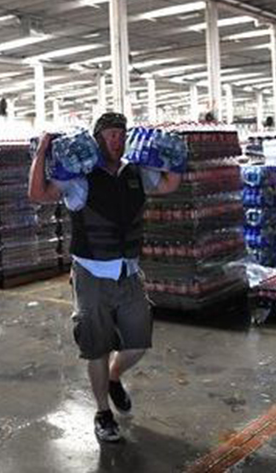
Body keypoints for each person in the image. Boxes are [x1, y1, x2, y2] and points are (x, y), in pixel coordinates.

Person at [28, 112, 181, 443]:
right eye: (110, 134)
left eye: (121, 134)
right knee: (96, 346)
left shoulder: (136, 172)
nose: (116, 139)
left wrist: (168, 155)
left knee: (138, 341)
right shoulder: (80, 177)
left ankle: (114, 377)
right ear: (97, 138)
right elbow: (39, 194)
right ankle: (102, 412)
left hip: (128, 272)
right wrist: (42, 152)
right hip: (92, 273)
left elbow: (170, 184)